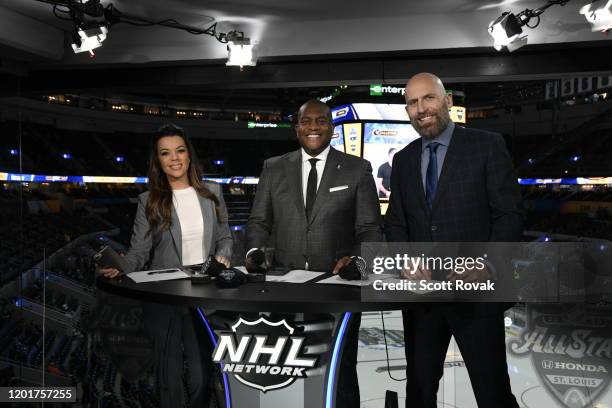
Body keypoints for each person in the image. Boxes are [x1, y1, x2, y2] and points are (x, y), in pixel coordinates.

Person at [385, 73, 523, 408]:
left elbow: (510, 214)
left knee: (492, 393)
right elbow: (396, 225)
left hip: (476, 295)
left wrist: (486, 261)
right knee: (419, 392)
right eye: (413, 103)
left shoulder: (487, 145)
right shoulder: (402, 159)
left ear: (447, 101)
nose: (421, 109)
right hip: (424, 299)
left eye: (428, 98)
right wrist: (406, 260)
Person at [246, 99, 383, 408]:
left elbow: (370, 228)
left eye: (321, 121)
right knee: (289, 368)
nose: (313, 127)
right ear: (297, 128)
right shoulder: (274, 167)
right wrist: (255, 250)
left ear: (332, 128)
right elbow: (258, 221)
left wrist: (358, 261)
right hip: (284, 286)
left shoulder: (356, 168)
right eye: (306, 121)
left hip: (338, 287)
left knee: (340, 368)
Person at [100, 123, 232, 408]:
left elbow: (225, 238)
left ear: (189, 155)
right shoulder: (148, 200)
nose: (174, 158)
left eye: (180, 150)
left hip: (204, 296)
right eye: (166, 153)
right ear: (158, 160)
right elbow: (139, 251)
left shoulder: (212, 192)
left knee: (201, 376)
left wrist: (223, 255)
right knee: (169, 378)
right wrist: (122, 266)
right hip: (164, 297)